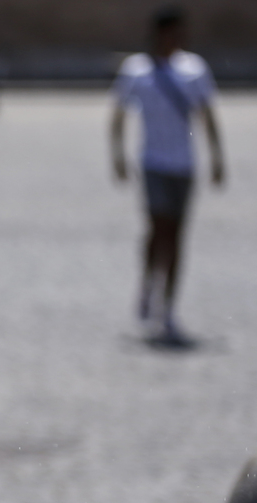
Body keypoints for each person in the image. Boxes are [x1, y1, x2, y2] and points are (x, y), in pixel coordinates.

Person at [110, 6, 225, 347]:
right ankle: (149, 284)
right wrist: (118, 156)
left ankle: (168, 307)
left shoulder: (194, 69)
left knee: (176, 236)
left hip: (184, 165)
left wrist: (217, 157)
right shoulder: (137, 70)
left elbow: (207, 114)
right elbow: (118, 114)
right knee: (158, 229)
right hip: (153, 163)